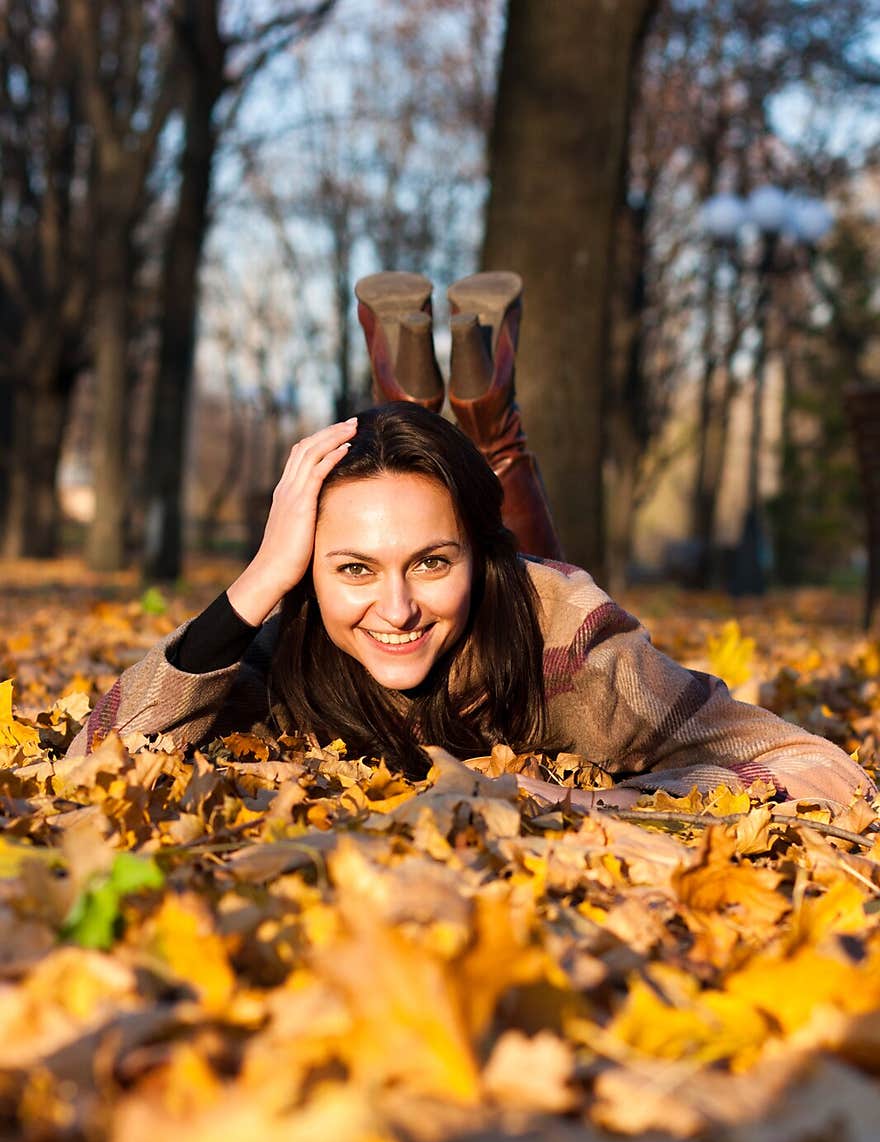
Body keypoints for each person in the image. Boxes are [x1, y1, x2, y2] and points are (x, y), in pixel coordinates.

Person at [68, 273, 876, 816]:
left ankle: (456, 425)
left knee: (521, 556)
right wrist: (254, 587)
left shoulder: (578, 647)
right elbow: (87, 766)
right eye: (352, 567)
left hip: (522, 602)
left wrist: (564, 804)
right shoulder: (286, 629)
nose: (395, 609)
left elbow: (817, 767)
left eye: (431, 561)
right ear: (306, 571)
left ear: (472, 561)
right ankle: (467, 417)